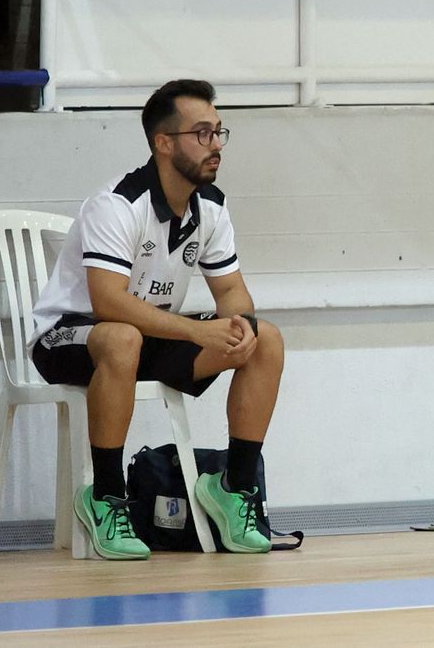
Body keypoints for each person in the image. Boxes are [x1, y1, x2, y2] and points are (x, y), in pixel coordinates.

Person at [29, 79, 285, 559]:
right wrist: (196, 329)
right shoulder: (118, 204)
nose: (216, 146)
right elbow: (109, 303)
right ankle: (106, 497)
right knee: (122, 336)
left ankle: (234, 487)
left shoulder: (211, 206)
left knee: (265, 338)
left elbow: (230, 290)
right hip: (68, 336)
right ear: (163, 143)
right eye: (202, 133)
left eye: (219, 133)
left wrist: (240, 326)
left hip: (145, 336)